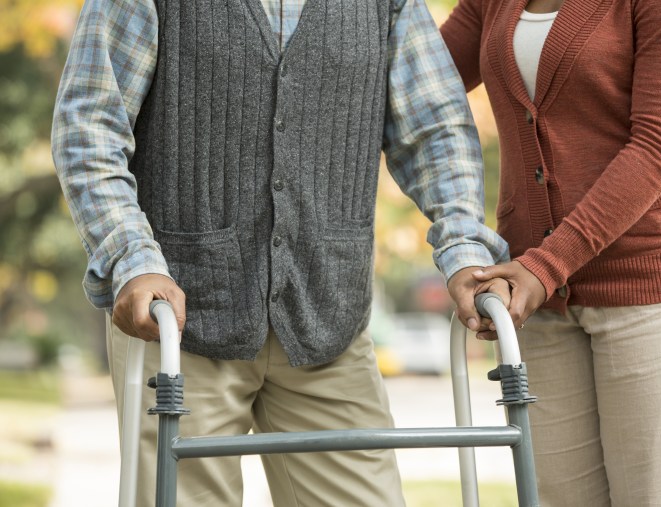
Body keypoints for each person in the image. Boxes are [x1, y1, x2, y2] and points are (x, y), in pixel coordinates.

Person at [51, 0, 510, 505]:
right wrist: (131, 258)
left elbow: (434, 129)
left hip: (327, 319)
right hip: (177, 322)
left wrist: (464, 247)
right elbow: (89, 126)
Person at [441, 0, 661, 505]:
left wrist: (545, 265)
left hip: (649, 291)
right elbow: (418, 76)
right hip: (538, 303)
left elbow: (660, 145)